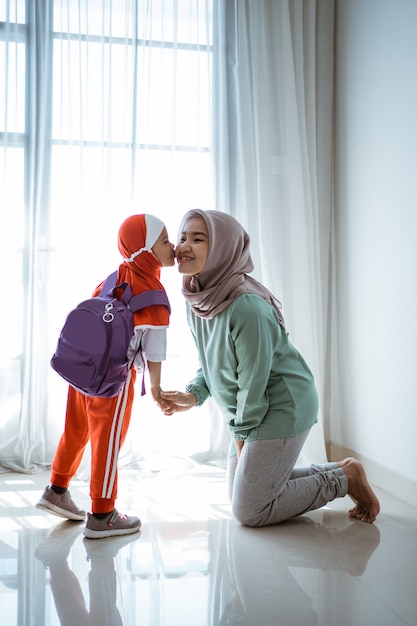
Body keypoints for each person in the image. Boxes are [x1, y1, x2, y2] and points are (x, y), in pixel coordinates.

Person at [160, 209, 380, 526]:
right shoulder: (198, 298)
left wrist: (241, 433)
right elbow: (211, 360)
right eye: (182, 237)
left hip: (282, 404)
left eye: (198, 238)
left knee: (249, 510)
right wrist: (194, 395)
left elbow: (253, 379)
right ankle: (344, 471)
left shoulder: (246, 305)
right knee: (245, 494)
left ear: (223, 248)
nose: (183, 245)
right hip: (253, 408)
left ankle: (342, 481)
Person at [36, 214, 175, 538]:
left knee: (76, 431)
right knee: (107, 443)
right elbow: (154, 350)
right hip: (113, 381)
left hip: (82, 371)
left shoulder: (113, 276)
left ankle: (56, 491)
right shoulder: (152, 292)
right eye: (164, 240)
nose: (171, 246)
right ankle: (103, 514)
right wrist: (155, 387)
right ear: (145, 249)